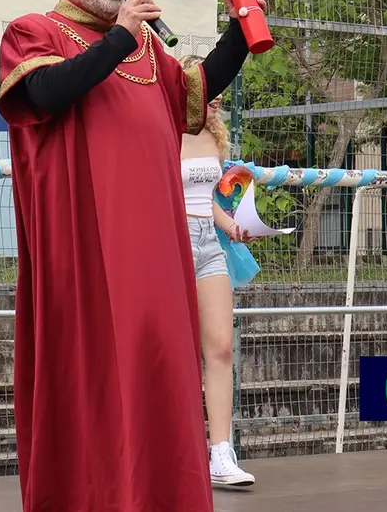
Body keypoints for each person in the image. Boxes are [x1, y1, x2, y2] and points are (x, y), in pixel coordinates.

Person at [0, 0, 267, 511]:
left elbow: (194, 92)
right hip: (82, 245)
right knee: (88, 372)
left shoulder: (145, 46)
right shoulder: (34, 31)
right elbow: (45, 95)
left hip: (152, 246)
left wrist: (241, 33)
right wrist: (118, 35)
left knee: (159, 369)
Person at [177, 64, 258, 488]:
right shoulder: (165, 128)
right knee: (173, 353)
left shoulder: (212, 134)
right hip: (168, 240)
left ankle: (220, 453)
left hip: (208, 241)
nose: (215, 100)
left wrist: (232, 226)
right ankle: (174, 450)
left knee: (221, 347)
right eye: (207, 91)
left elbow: (203, 199)